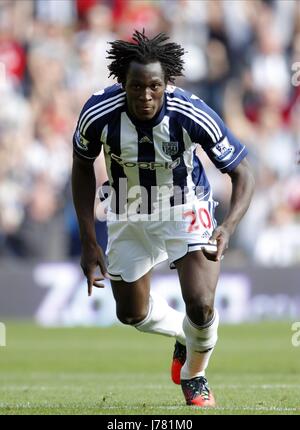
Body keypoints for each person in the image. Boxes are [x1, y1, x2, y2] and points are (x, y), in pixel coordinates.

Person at [72, 30, 255, 407]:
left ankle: (194, 375)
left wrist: (228, 226)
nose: (145, 95)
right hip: (126, 210)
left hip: (184, 208)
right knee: (131, 313)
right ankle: (182, 335)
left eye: (154, 86)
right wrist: (88, 237)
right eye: (136, 86)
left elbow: (243, 173)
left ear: (166, 83)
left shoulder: (191, 112)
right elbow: (81, 166)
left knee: (201, 304)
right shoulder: (98, 113)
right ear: (123, 83)